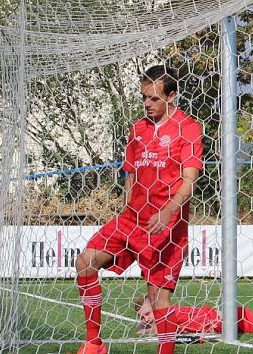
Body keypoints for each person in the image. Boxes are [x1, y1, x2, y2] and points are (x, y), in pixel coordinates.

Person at [74, 65, 203, 354]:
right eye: (144, 97)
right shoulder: (137, 129)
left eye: (154, 98)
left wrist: (168, 211)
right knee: (86, 262)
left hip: (165, 227)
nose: (147, 104)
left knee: (158, 298)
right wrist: (125, 211)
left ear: (172, 96)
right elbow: (130, 175)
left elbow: (190, 179)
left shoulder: (188, 129)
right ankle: (94, 344)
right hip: (131, 220)